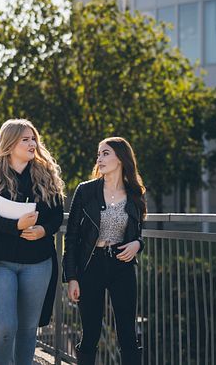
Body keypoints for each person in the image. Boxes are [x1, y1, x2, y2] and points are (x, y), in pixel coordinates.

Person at [0, 119, 64, 365]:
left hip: (38, 261)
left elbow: (56, 215)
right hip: (0, 261)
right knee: (4, 328)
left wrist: (43, 229)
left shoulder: (46, 174)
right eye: (26, 139)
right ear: (10, 143)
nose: (32, 143)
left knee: (27, 329)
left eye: (34, 139)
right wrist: (15, 226)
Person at [63, 137, 146, 365]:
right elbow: (71, 238)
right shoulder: (85, 191)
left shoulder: (135, 193)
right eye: (99, 154)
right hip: (91, 265)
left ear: (121, 158)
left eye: (105, 153)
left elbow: (139, 233)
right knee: (90, 333)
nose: (99, 159)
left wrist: (138, 244)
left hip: (122, 265)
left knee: (128, 333)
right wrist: (72, 277)